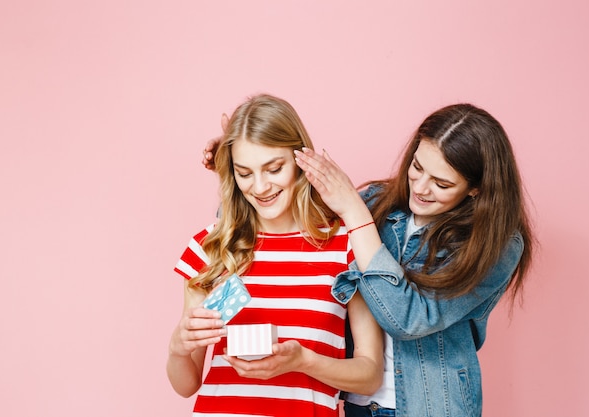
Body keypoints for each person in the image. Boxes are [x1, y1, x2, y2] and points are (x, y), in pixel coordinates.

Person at [203, 102, 535, 416]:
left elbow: (408, 320)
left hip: (433, 405)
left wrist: (353, 211)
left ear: (475, 188)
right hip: (359, 404)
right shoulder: (379, 202)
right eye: (417, 168)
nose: (420, 187)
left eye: (442, 183)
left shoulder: (498, 244)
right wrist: (241, 159)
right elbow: (273, 217)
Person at [167, 94, 384, 417]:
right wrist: (178, 347)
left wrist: (303, 361)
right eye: (244, 172)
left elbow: (370, 375)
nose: (260, 187)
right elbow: (186, 385)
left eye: (273, 168)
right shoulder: (210, 247)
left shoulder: (346, 244)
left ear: (300, 159)